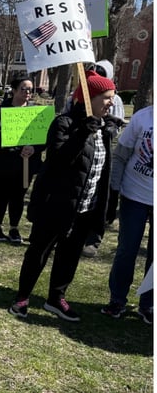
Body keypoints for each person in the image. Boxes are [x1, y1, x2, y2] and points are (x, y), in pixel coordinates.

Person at [8, 70, 118, 321]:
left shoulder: (102, 128)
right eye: (107, 97)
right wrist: (81, 134)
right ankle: (22, 296)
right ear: (90, 98)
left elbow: (101, 171)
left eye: (112, 97)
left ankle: (56, 298)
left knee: (69, 256)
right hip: (55, 204)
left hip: (85, 207)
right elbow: (57, 160)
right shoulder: (65, 123)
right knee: (39, 252)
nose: (111, 102)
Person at [100, 104, 153, 324]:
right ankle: (117, 299)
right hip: (134, 196)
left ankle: (148, 304)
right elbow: (120, 157)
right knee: (127, 249)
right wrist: (114, 191)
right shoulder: (142, 118)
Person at [0, 78, 43, 244]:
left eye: (30, 90)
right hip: (4, 164)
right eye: (23, 89)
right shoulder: (1, 111)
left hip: (26, 165)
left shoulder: (35, 112)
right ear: (14, 90)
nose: (27, 93)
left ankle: (14, 228)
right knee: (2, 195)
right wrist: (18, 148)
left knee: (18, 197)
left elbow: (44, 136)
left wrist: (34, 148)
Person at [81, 59, 126, 258]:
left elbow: (116, 124)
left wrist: (109, 128)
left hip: (103, 155)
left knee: (101, 197)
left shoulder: (114, 99)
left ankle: (93, 238)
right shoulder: (81, 94)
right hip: (82, 153)